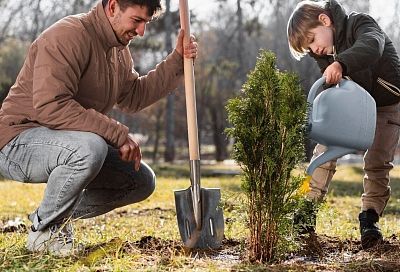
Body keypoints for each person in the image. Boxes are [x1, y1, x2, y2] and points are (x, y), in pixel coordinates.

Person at [0, 0, 198, 256]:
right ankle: (44, 231)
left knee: (139, 180)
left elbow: (133, 96)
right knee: (90, 148)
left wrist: (176, 61)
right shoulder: (68, 35)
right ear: (113, 7)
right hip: (17, 142)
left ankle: (53, 218)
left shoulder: (117, 50)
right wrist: (116, 133)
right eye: (137, 21)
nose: (141, 32)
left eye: (145, 24)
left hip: (66, 142)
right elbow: (51, 106)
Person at [287, 0, 400, 249]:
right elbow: (330, 86)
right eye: (309, 49)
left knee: (377, 161)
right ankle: (306, 211)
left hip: (387, 104)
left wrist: (341, 63)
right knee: (324, 151)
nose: (315, 50)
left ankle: (370, 220)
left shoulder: (359, 24)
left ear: (325, 21)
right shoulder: (324, 54)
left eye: (313, 40)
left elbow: (372, 45)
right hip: (353, 107)